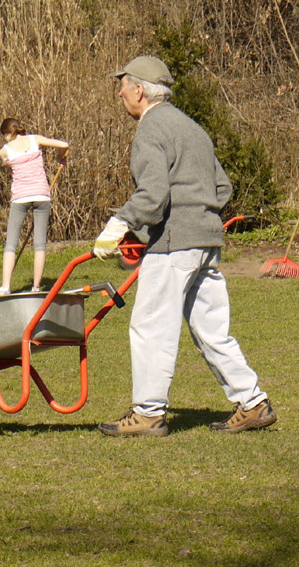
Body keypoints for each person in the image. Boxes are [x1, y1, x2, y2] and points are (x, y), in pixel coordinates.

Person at [93, 56, 275, 437]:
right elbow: (221, 187)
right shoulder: (194, 129)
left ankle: (147, 413)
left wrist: (120, 223)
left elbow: (153, 193)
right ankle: (253, 401)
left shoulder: (151, 129)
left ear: (139, 91)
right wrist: (198, 213)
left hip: (174, 245)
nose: (120, 92)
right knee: (212, 330)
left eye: (123, 85)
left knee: (150, 327)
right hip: (207, 241)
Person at [0, 119, 68, 295]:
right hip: (42, 195)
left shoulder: (4, 151)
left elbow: (8, 164)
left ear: (7, 133)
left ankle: (5, 287)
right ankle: (36, 288)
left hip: (20, 198)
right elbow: (64, 145)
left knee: (11, 243)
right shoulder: (35, 139)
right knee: (40, 244)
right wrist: (60, 158)